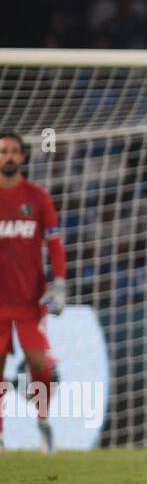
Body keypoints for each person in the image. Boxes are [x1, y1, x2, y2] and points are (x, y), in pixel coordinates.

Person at [0, 132, 67, 454]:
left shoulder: (37, 198)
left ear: (23, 157)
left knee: (39, 362)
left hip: (29, 301)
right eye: (3, 151)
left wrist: (60, 283)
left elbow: (54, 243)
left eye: (14, 151)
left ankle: (43, 422)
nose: (9, 156)